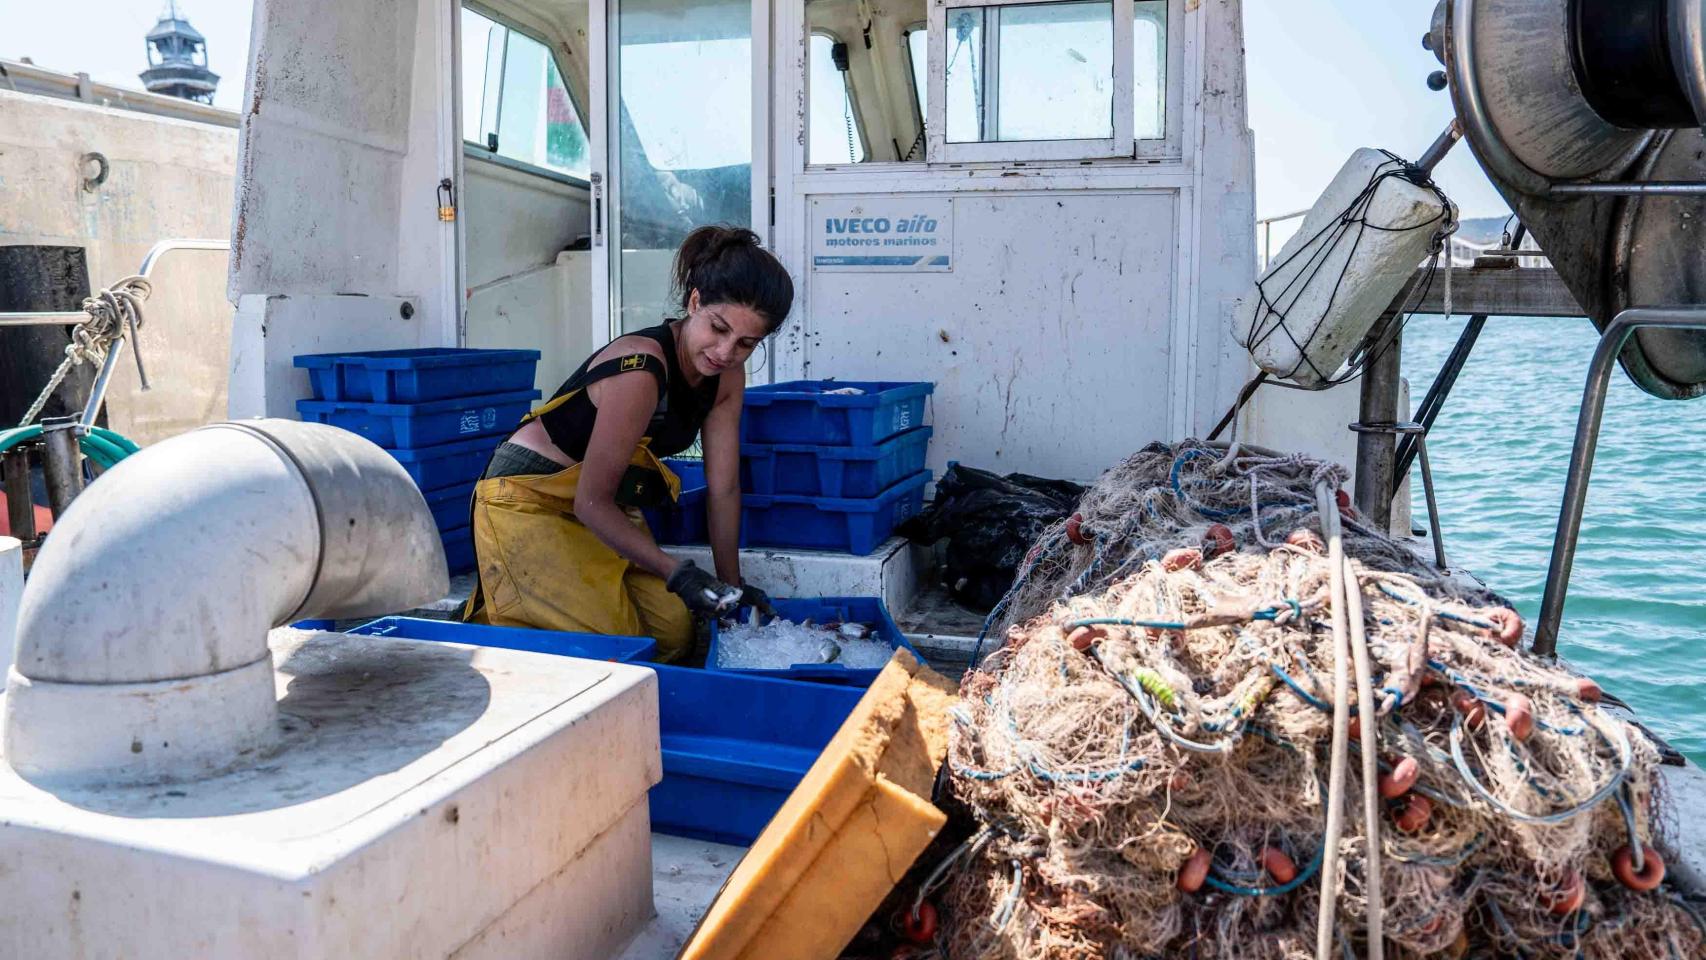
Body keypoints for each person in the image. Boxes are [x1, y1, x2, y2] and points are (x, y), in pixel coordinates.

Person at [462, 226, 792, 662]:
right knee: (620, 645)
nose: (725, 351)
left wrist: (731, 588)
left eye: (746, 343)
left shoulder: (727, 377)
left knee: (674, 634)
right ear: (695, 303)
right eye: (718, 328)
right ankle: (485, 627)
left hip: (605, 504)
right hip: (528, 498)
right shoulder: (641, 370)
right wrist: (677, 572)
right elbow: (590, 502)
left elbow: (724, 488)